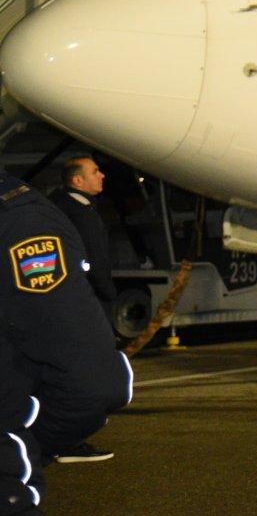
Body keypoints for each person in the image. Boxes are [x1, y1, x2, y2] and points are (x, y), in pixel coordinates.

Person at [1, 170, 132, 503]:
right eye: (93, 171)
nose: (102, 176)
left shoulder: (20, 217)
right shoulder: (21, 216)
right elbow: (91, 386)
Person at [49, 157, 116, 321]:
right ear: (78, 181)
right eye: (95, 172)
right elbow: (95, 256)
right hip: (86, 297)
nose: (102, 175)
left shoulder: (56, 206)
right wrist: (108, 292)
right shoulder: (81, 213)